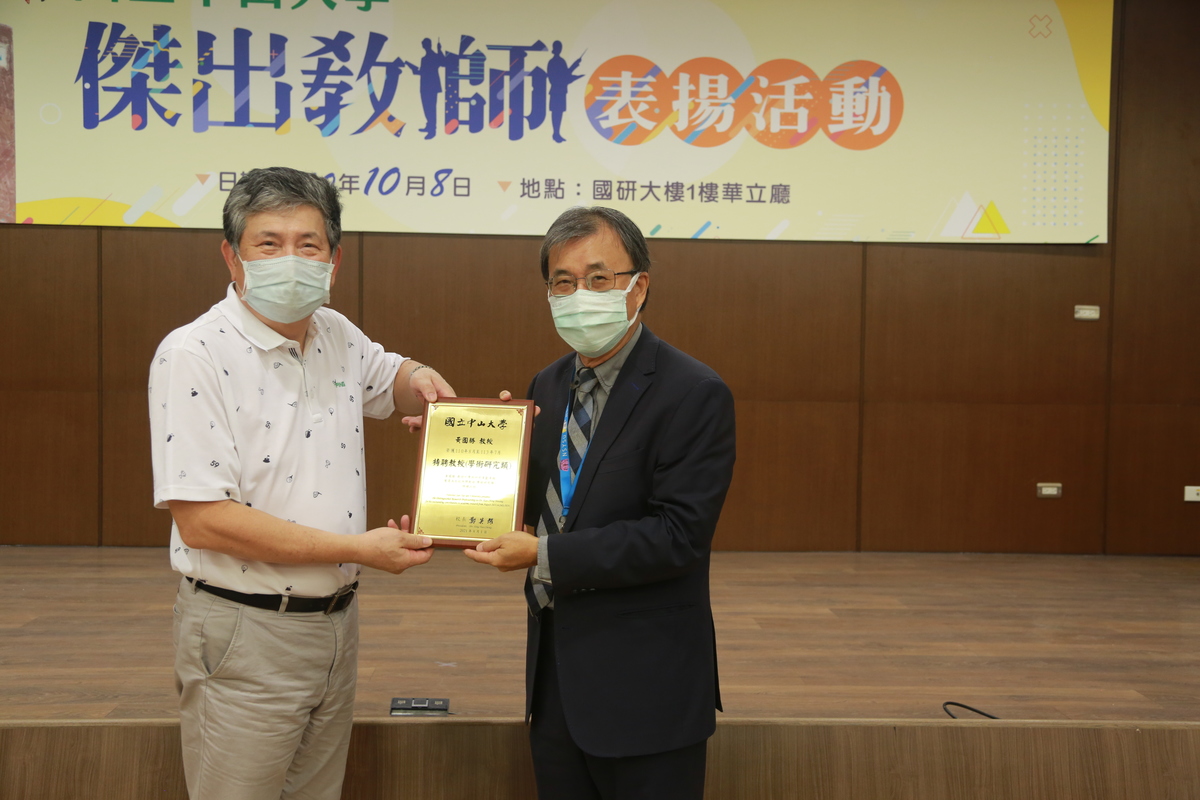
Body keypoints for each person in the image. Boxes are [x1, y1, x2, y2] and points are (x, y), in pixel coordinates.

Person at [148, 167, 453, 800]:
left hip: (335, 626)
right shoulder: (193, 354)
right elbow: (203, 519)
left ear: (334, 260)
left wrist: (422, 379)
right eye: (268, 242)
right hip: (244, 630)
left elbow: (387, 376)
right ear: (232, 257)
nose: (291, 258)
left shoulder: (335, 334)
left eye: (308, 244)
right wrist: (356, 549)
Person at [466, 206, 736, 799]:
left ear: (639, 286)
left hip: (647, 690)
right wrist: (468, 453)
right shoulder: (549, 384)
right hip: (556, 682)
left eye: (598, 278)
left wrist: (542, 555)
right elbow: (551, 500)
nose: (578, 294)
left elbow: (677, 536)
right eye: (563, 282)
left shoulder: (693, 392)